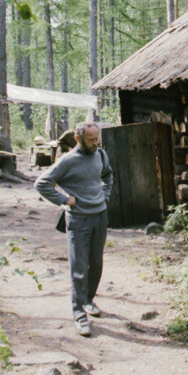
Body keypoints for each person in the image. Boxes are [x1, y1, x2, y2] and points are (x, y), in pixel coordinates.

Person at [34, 122, 113, 337]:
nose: (95, 143)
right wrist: (64, 199)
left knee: (96, 262)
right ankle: (79, 314)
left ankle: (88, 300)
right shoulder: (67, 161)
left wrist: (105, 196)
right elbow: (41, 183)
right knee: (78, 268)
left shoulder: (100, 154)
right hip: (78, 220)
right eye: (91, 140)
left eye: (97, 139)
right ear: (78, 139)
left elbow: (107, 175)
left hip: (100, 215)